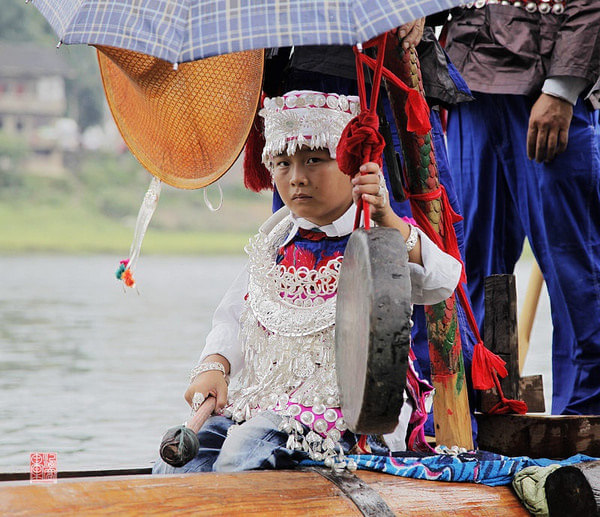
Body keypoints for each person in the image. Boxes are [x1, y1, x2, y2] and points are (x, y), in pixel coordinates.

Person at [153, 90, 462, 474]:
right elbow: (233, 318)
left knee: (243, 452)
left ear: (352, 166)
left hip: (348, 413)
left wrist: (388, 218)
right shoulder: (273, 242)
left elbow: (443, 281)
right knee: (181, 463)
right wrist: (213, 366)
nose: (297, 178)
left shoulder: (375, 235)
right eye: (282, 162)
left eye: (314, 160)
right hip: (264, 405)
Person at [443, 1, 600, 414]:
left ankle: (585, 418)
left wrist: (562, 89)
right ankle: (477, 412)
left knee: (572, 266)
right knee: (468, 262)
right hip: (468, 82)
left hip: (547, 90)